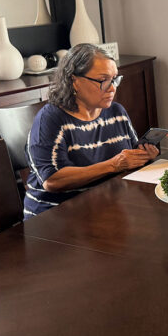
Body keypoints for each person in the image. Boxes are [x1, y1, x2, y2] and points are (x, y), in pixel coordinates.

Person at [23, 44, 159, 219]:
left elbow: (127, 161)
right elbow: (52, 180)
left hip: (104, 206)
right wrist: (113, 164)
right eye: (103, 80)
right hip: (56, 217)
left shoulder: (116, 113)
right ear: (74, 81)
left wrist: (143, 156)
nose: (112, 88)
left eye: (115, 79)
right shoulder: (50, 120)